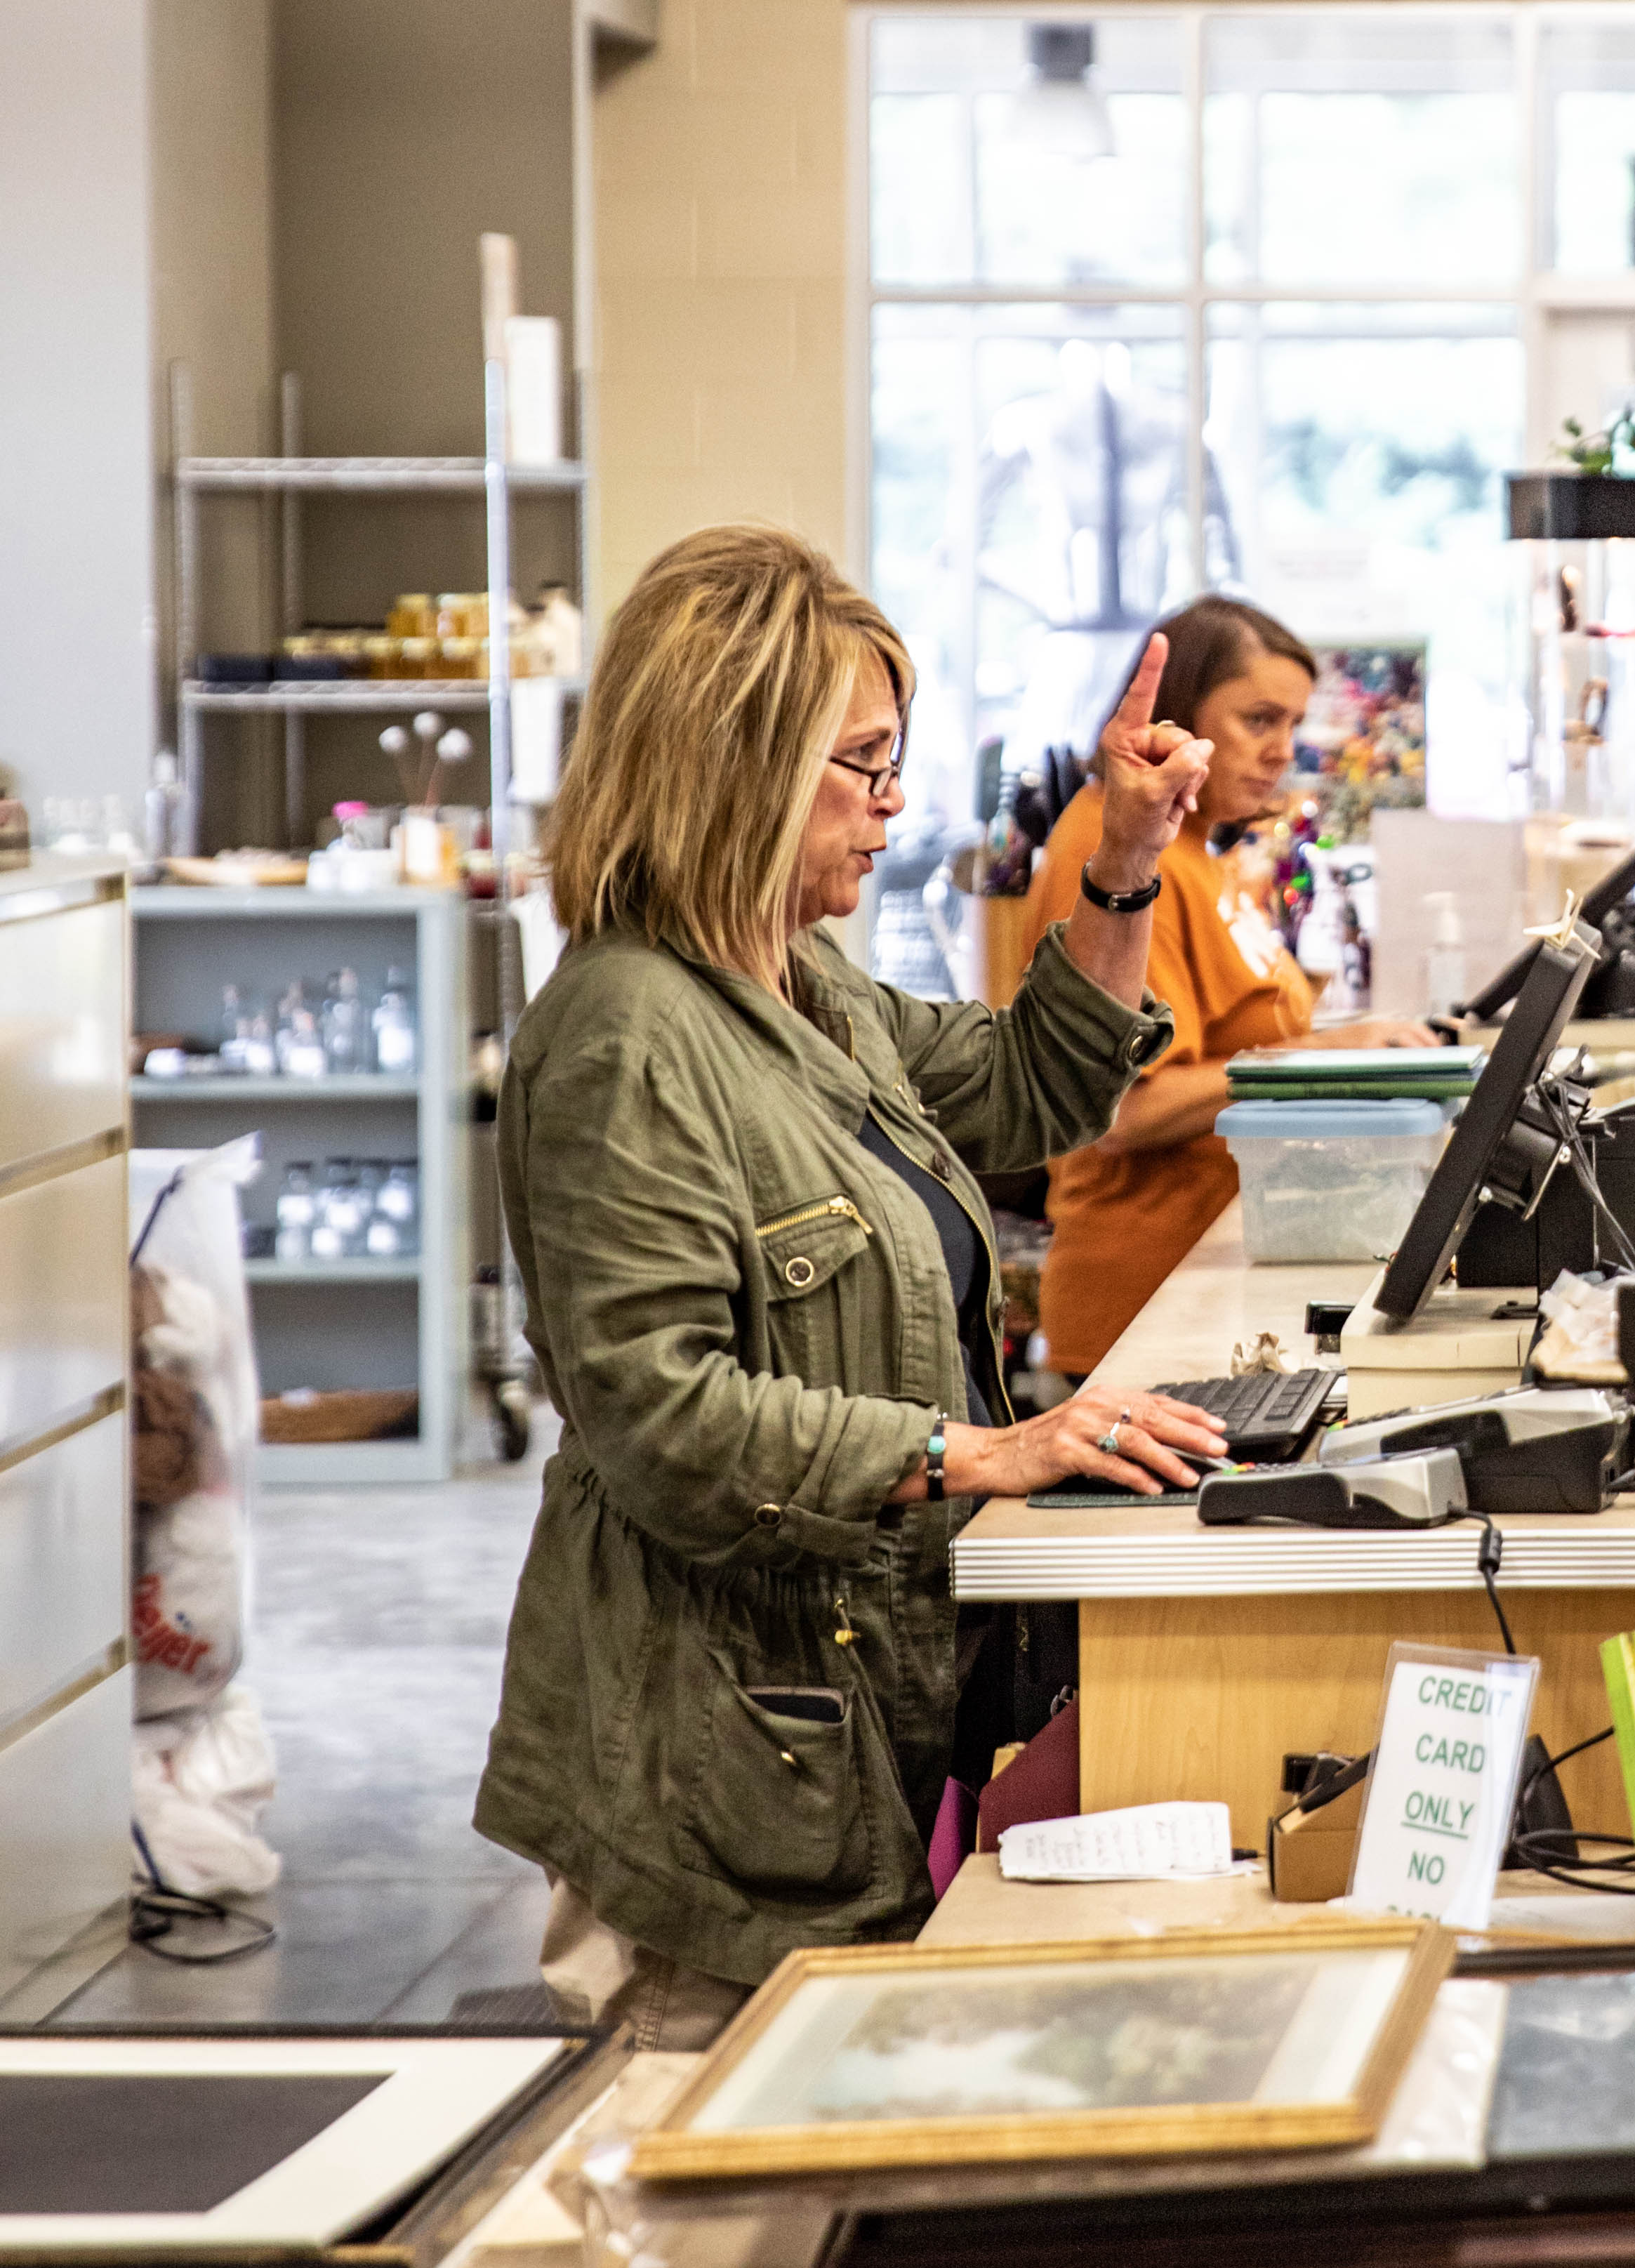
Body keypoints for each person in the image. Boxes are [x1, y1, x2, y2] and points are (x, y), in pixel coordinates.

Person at [479, 525, 1231, 2048]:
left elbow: (1034, 1087)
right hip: (709, 1780)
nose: (894, 807)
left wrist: (1125, 860)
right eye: (865, 766)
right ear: (739, 763)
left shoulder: (801, 986)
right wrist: (978, 1453)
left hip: (842, 1731)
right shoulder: (628, 1037)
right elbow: (662, 1420)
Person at [1008, 592, 1438, 1377]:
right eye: (1258, 720)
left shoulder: (1201, 851)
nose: (1282, 751)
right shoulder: (1122, 860)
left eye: (1294, 726)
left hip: (1217, 1270)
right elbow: (1123, 1111)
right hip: (1138, 1301)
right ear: (1179, 719)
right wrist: (1319, 1055)